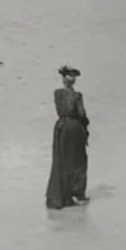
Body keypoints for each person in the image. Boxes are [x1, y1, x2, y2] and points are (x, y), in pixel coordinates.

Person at [45, 67, 90, 208]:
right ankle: (77, 192)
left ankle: (61, 194)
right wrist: (86, 127)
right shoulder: (77, 96)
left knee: (61, 160)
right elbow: (81, 114)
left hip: (61, 127)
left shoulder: (57, 93)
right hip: (74, 127)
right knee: (79, 160)